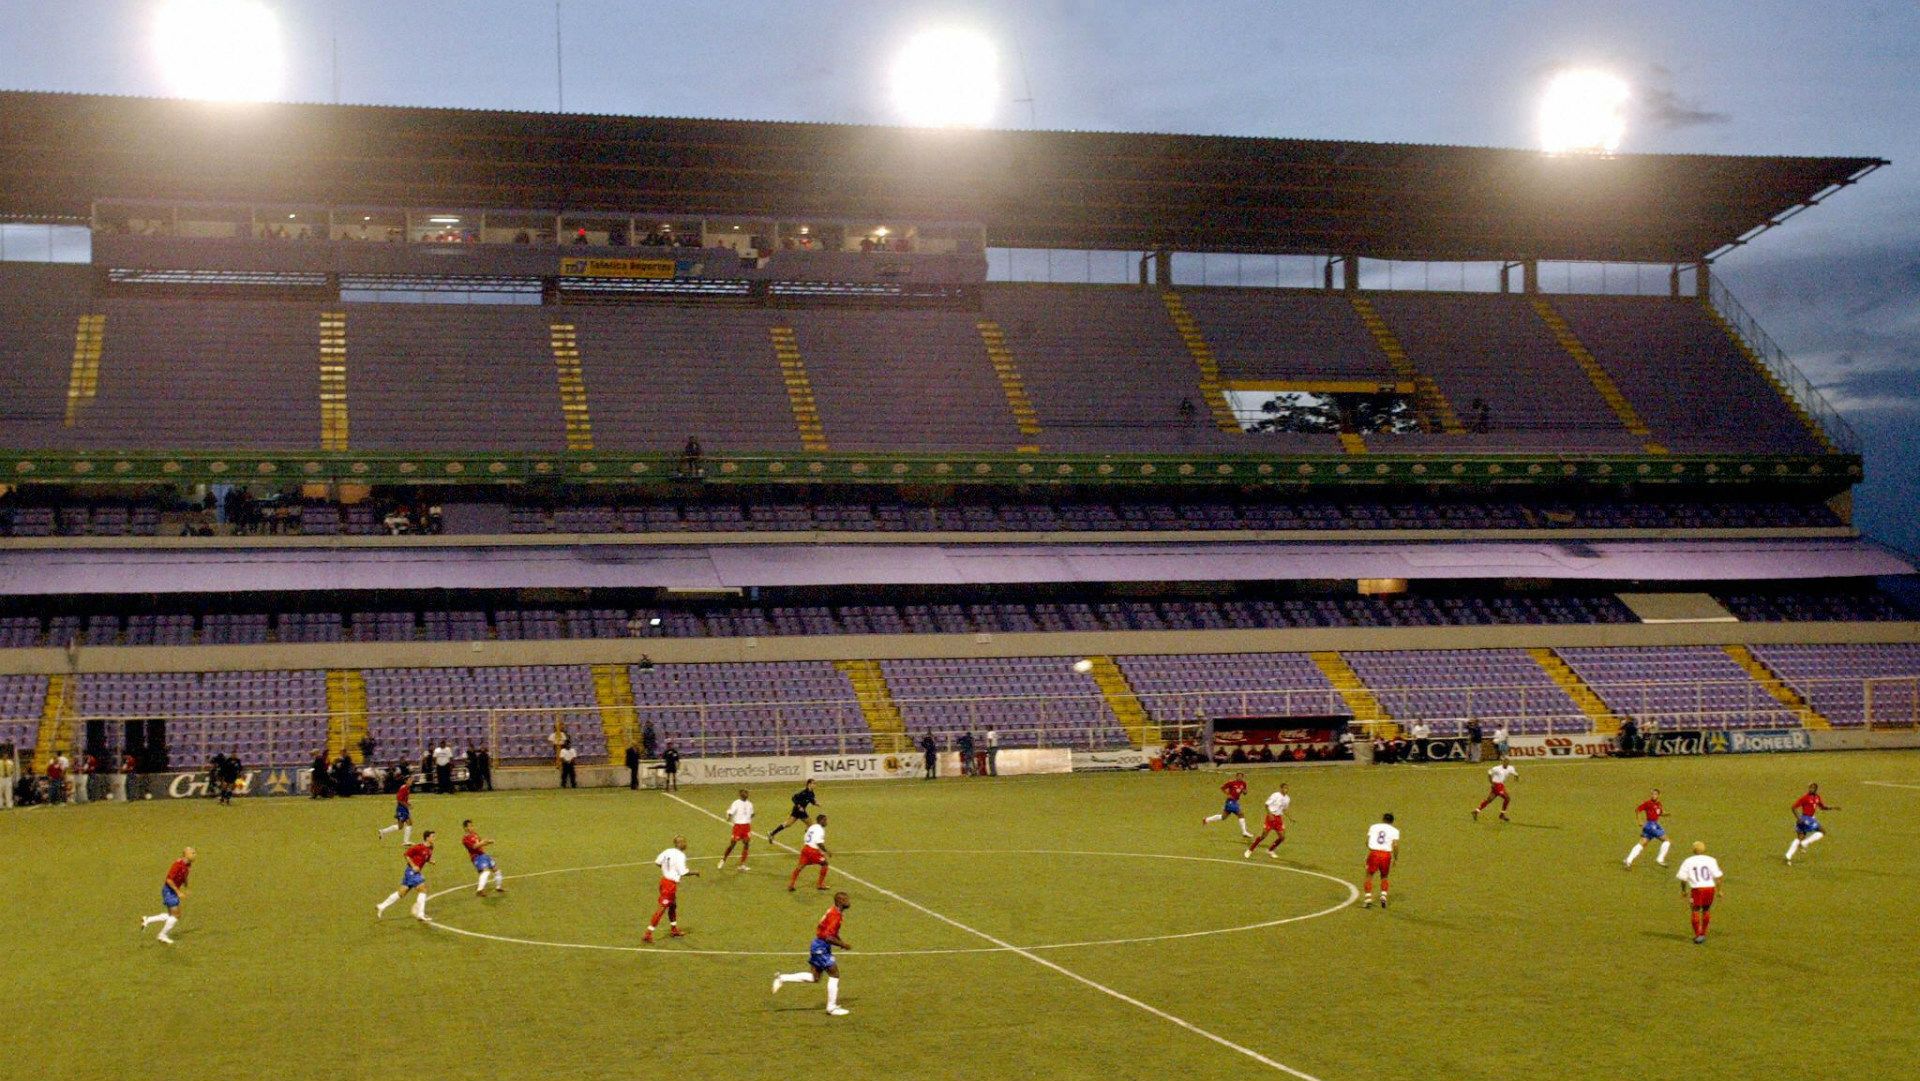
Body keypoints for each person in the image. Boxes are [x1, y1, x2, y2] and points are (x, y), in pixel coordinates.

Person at [771, 891, 853, 1016]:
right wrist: (843, 945)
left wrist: (841, 942)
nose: (848, 901)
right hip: (821, 947)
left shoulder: (834, 911)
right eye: (846, 899)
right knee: (834, 974)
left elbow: (831, 932)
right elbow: (828, 937)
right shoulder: (835, 915)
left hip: (819, 945)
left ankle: (782, 978)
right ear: (840, 901)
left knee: (815, 977)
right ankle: (831, 1008)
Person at [645, 836, 698, 943]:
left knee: (673, 906)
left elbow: (657, 862)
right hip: (669, 885)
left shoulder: (668, 851)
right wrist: (695, 872)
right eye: (681, 842)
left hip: (664, 881)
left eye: (684, 841)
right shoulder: (680, 856)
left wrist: (666, 871)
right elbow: (683, 872)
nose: (684, 843)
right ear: (676, 844)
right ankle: (648, 934)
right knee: (662, 908)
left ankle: (674, 930)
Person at [140, 847, 195, 945]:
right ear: (186, 854)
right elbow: (169, 880)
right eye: (192, 853)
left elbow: (185, 876)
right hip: (169, 891)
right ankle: (162, 935)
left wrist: (186, 886)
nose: (195, 855)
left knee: (171, 916)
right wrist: (178, 892)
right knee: (176, 915)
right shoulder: (177, 865)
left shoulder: (188, 864)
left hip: (173, 891)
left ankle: (147, 919)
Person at [376, 831, 435, 921]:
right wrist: (413, 866)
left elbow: (425, 857)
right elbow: (407, 855)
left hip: (413, 872)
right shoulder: (418, 847)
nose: (434, 838)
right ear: (427, 838)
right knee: (423, 889)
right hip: (411, 871)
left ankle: (382, 906)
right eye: (432, 836)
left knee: (401, 892)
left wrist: (430, 861)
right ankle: (420, 914)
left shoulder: (430, 848)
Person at [1675, 841, 1724, 944]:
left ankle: (1698, 934)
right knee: (1706, 909)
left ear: (1693, 850)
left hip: (1697, 889)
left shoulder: (1688, 861)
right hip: (1710, 888)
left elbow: (1683, 879)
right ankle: (1703, 933)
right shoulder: (1711, 860)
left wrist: (1683, 891)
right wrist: (1719, 891)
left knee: (1695, 910)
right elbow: (1718, 877)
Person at [1785, 783, 1839, 864]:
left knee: (1801, 837)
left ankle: (1789, 855)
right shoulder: (1805, 798)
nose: (1811, 789)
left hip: (1806, 819)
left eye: (1813, 788)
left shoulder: (1817, 797)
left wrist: (1832, 808)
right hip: (1806, 818)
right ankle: (1805, 843)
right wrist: (1799, 818)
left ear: (1816, 789)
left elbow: (1822, 807)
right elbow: (1793, 807)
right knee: (1822, 831)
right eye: (1810, 788)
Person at [1625, 789, 1671, 868]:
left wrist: (1666, 814)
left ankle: (1628, 860)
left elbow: (1659, 813)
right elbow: (1637, 810)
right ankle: (1660, 859)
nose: (1653, 795)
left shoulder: (1659, 804)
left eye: (1655, 794)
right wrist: (1639, 821)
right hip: (1651, 825)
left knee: (1642, 843)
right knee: (1667, 840)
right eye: (1652, 794)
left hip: (1654, 824)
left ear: (1659, 795)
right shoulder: (1648, 803)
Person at [788, 813, 832, 892]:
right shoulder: (820, 830)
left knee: (800, 867)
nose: (826, 822)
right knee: (825, 864)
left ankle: (791, 885)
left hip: (805, 849)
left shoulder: (812, 826)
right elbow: (819, 843)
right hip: (813, 851)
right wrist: (826, 851)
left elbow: (806, 832)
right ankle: (820, 885)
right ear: (821, 821)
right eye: (825, 820)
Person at [1363, 813, 1399, 909]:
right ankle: (1383, 896)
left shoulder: (1374, 827)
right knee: (1384, 876)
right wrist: (1395, 858)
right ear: (1392, 821)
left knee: (1369, 876)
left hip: (1374, 853)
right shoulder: (1395, 831)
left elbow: (1367, 841)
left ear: (1383, 819)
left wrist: (1371, 851)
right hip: (1386, 855)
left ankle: (1368, 899)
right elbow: (1395, 845)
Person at [462, 819, 506, 897]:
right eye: (470, 826)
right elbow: (474, 846)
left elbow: (480, 841)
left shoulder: (475, 834)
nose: (472, 827)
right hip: (477, 857)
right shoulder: (465, 839)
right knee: (486, 872)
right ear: (465, 828)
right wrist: (483, 842)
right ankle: (479, 890)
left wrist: (488, 841)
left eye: (472, 826)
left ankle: (498, 887)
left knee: (496, 870)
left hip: (483, 855)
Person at [1246, 784, 1291, 858]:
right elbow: (1266, 805)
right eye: (1285, 788)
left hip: (1278, 818)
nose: (1286, 790)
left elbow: (1284, 809)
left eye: (1287, 788)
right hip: (1270, 817)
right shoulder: (1275, 795)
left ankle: (1270, 850)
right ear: (1281, 788)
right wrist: (1269, 814)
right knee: (1263, 835)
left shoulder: (1287, 799)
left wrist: (1290, 817)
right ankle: (1250, 850)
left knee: (1282, 837)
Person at [1204, 772, 1252, 838]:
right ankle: (1244, 832)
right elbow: (1222, 788)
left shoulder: (1243, 783)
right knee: (1240, 814)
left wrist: (1244, 791)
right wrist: (1228, 794)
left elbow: (1245, 793)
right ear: (1236, 776)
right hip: (1230, 801)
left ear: (1242, 777)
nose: (1240, 777)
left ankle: (1207, 820)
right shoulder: (1231, 782)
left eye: (1241, 776)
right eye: (1238, 776)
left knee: (1223, 817)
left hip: (1235, 801)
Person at [718, 789, 755, 870]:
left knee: (746, 844)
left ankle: (742, 864)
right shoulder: (736, 803)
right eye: (744, 793)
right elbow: (730, 812)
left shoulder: (750, 804)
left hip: (747, 827)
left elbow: (752, 814)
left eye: (747, 793)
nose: (746, 794)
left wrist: (748, 818)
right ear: (740, 795)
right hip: (738, 826)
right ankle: (723, 859)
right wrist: (728, 817)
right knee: (733, 844)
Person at [377, 778, 413, 843]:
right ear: (406, 781)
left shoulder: (407, 788)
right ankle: (406, 841)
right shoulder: (403, 788)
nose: (411, 781)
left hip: (403, 808)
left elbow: (403, 799)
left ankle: (383, 831)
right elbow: (399, 800)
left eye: (411, 780)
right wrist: (407, 806)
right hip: (401, 809)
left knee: (400, 826)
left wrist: (407, 803)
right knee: (409, 823)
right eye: (409, 780)